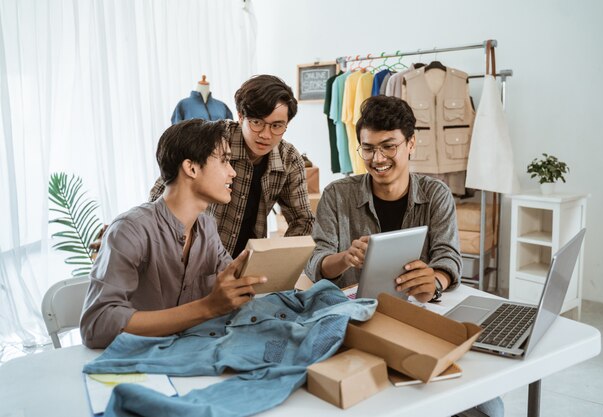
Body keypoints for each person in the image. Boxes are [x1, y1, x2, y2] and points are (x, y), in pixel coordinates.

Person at [304, 95, 503, 417]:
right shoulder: (337, 195)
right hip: (355, 323)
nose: (377, 158)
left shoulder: (435, 194)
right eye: (368, 148)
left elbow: (449, 256)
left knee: (490, 406)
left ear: (411, 143)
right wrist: (344, 258)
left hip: (416, 318)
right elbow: (316, 263)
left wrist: (435, 280)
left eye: (388, 146)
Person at [80, 119, 267, 349]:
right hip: (137, 365)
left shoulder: (208, 228)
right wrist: (207, 307)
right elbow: (96, 325)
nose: (233, 172)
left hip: (190, 356)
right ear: (191, 168)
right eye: (225, 161)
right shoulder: (130, 230)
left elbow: (231, 291)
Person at [150, 74, 315, 257]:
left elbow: (303, 219)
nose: (266, 135)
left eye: (277, 126)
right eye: (257, 123)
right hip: (194, 258)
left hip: (246, 261)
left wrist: (274, 261)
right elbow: (160, 196)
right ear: (240, 116)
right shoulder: (210, 140)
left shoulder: (289, 159)